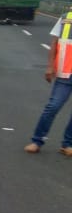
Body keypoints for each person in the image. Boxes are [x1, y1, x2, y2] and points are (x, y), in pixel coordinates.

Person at [24, 9, 72, 155]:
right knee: (53, 107)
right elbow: (54, 43)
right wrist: (50, 66)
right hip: (65, 74)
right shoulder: (66, 18)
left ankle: (67, 144)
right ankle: (37, 141)